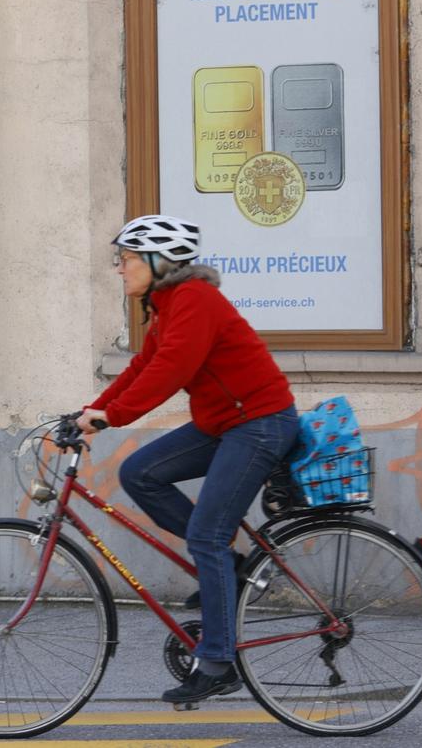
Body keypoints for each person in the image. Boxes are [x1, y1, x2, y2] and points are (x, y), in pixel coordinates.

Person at [77, 214, 297, 704]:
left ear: (159, 261)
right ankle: (234, 570)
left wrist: (111, 417)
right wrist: (91, 410)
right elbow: (144, 366)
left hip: (259, 423)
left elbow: (173, 369)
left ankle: (218, 662)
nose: (120, 268)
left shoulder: (194, 300)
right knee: (139, 472)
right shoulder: (169, 304)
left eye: (128, 258)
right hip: (226, 422)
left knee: (207, 536)